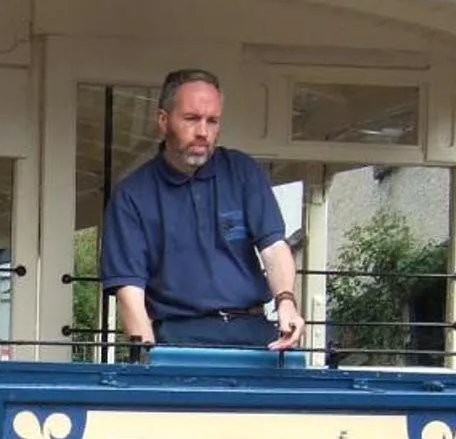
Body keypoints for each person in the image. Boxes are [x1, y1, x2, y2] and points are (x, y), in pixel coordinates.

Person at [99, 68, 304, 351]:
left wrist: (286, 302)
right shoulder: (132, 196)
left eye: (213, 121)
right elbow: (129, 294)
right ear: (163, 120)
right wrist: (148, 360)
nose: (203, 132)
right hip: (179, 338)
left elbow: (273, 247)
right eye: (191, 119)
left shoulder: (243, 171)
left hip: (254, 334)